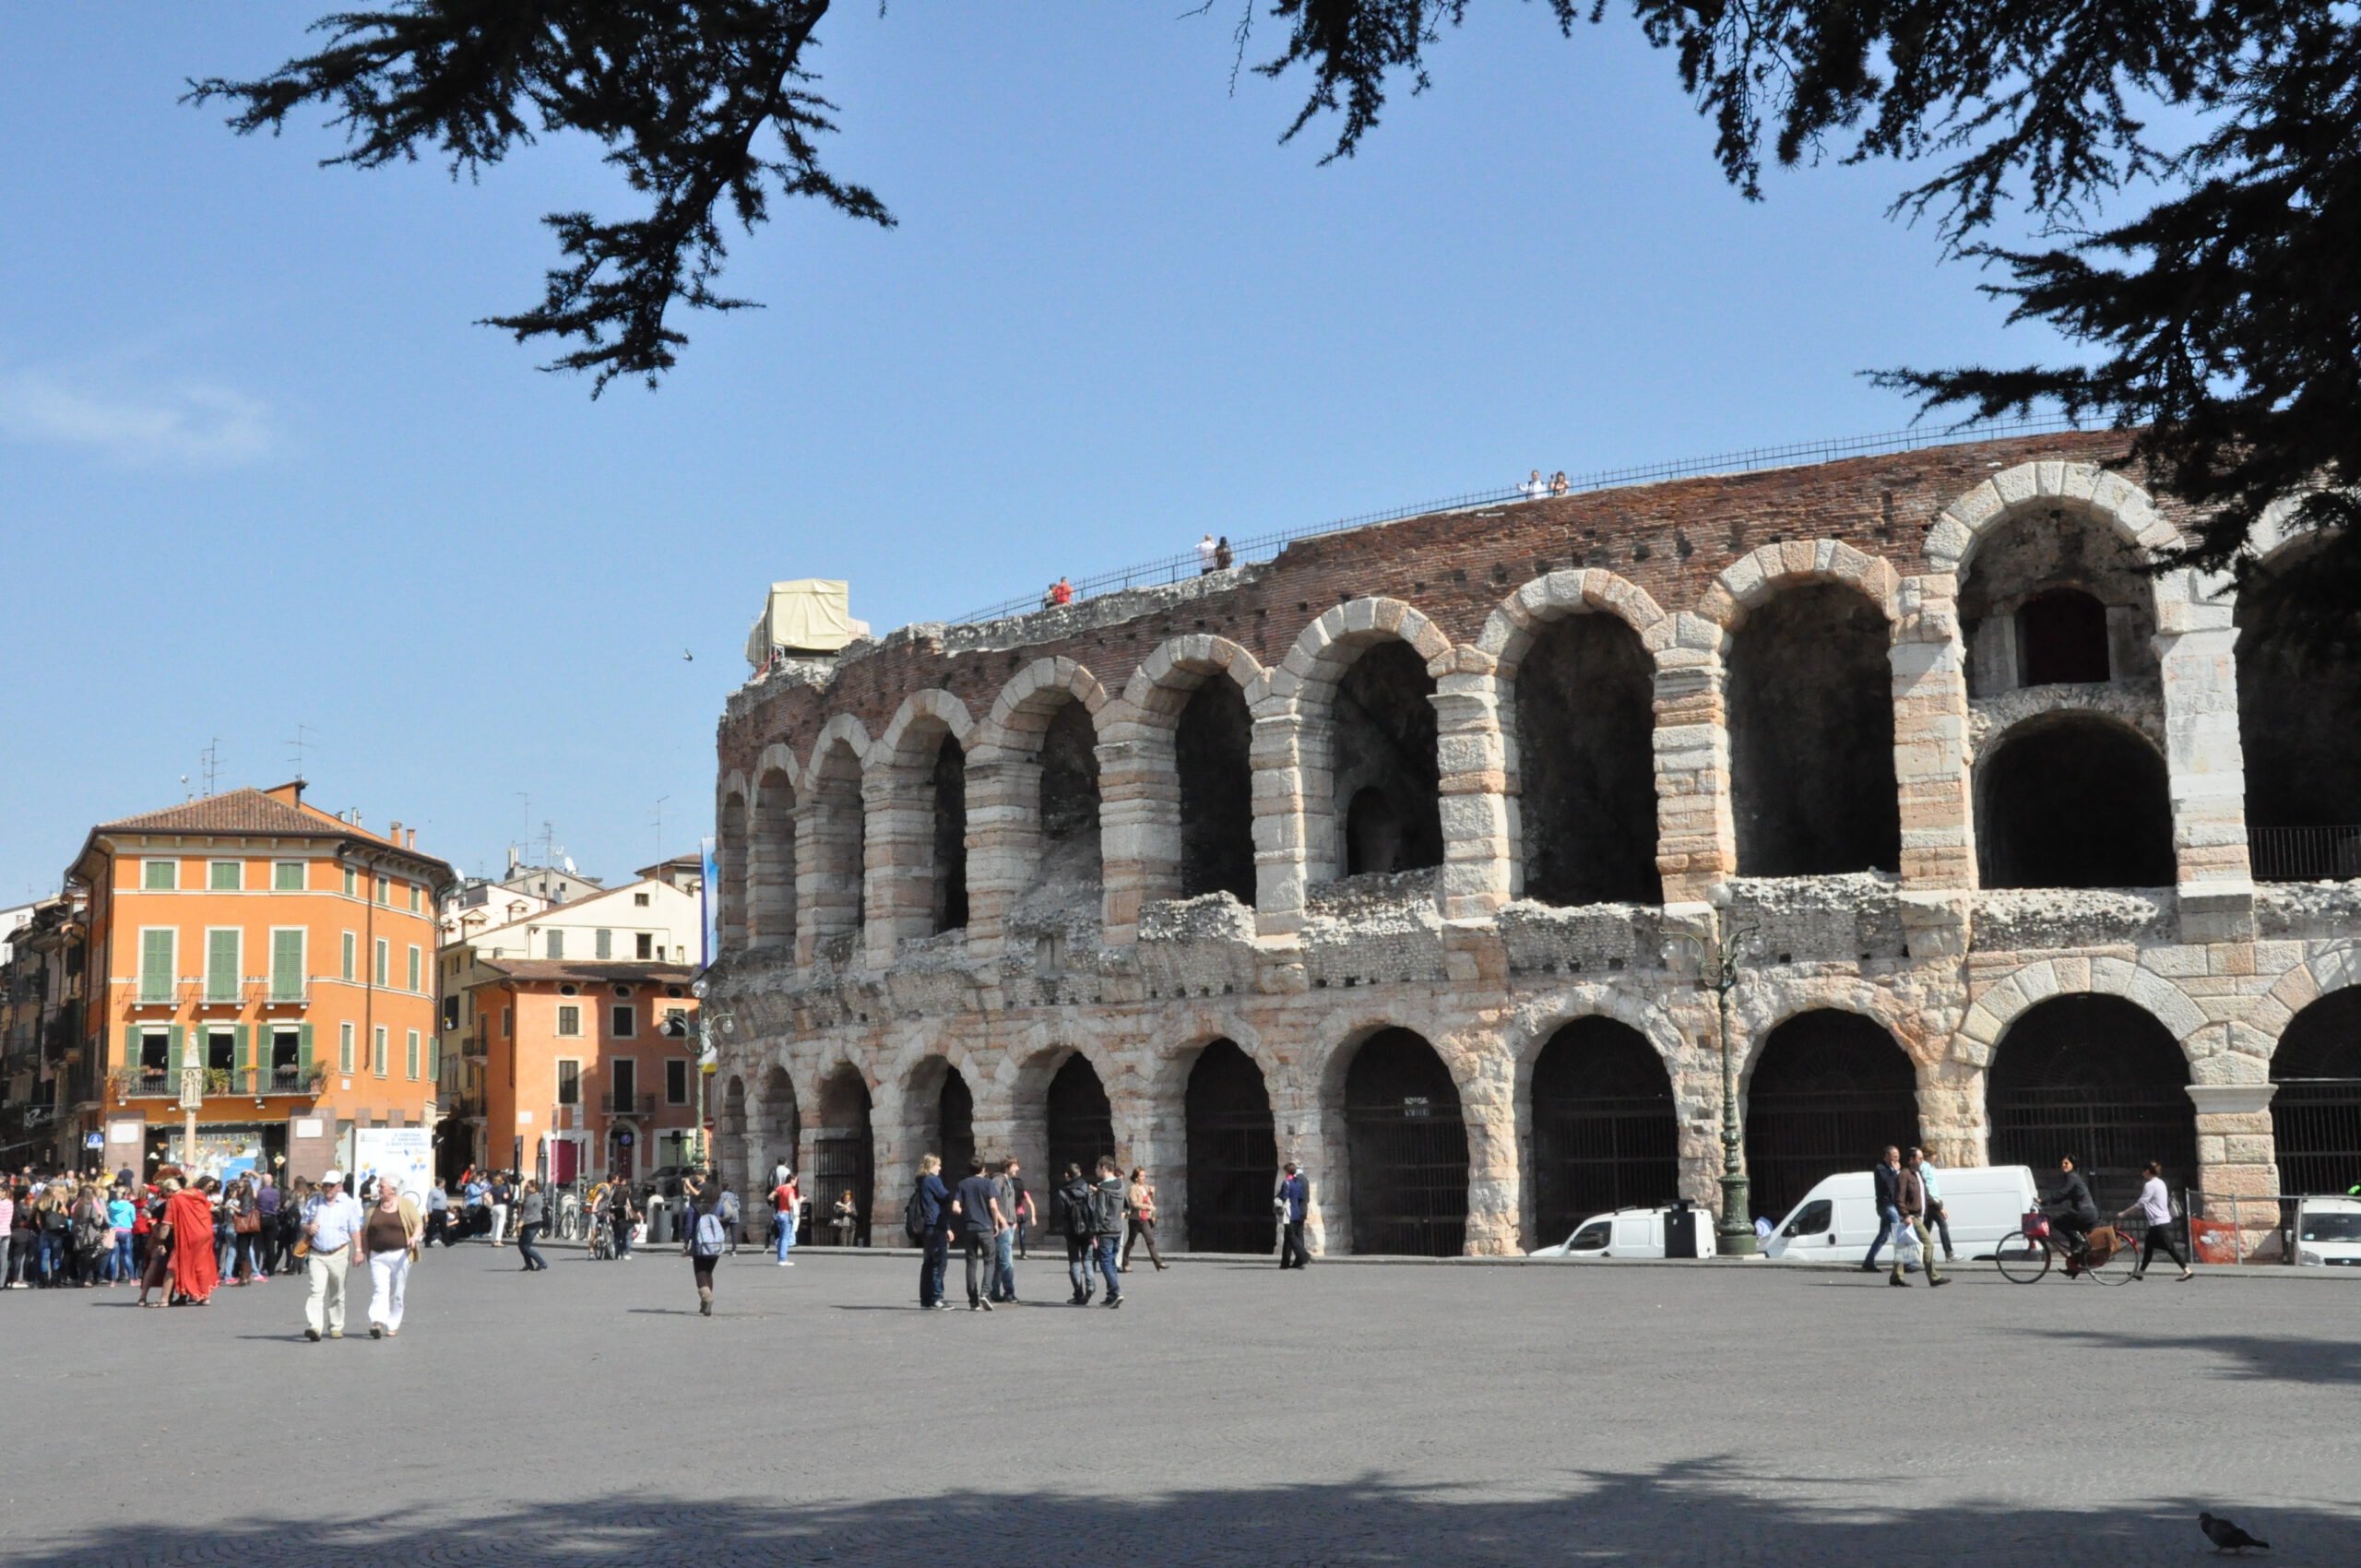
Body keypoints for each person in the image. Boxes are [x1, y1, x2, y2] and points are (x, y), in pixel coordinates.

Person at [300, 1170, 364, 1341]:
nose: (327, 1188)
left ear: (339, 1186)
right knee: (316, 1291)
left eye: (331, 1185)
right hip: (317, 1253)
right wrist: (308, 1228)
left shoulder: (348, 1204)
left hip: (339, 1252)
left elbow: (354, 1229)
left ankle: (336, 1326)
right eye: (325, 1185)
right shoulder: (314, 1202)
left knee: (337, 1292)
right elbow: (303, 1224)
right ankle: (315, 1326)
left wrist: (358, 1251)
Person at [362, 1177, 421, 1337]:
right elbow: (365, 1230)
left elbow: (418, 1223)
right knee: (380, 1289)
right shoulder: (372, 1207)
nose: (379, 1189)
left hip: (400, 1254)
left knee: (397, 1292)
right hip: (377, 1255)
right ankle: (377, 1321)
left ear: (393, 1189)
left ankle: (393, 1324)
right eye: (379, 1186)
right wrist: (362, 1251)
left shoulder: (405, 1204)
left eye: (382, 1186)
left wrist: (414, 1237)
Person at [948, 1157, 1005, 1312]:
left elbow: (955, 1208)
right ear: (983, 1169)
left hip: (969, 1228)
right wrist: (995, 1223)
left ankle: (973, 1301)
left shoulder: (962, 1184)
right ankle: (985, 1293)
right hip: (985, 1227)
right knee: (989, 1261)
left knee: (971, 1264)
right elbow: (993, 1207)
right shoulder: (988, 1183)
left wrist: (966, 1211)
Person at [2122, 1159, 2194, 1281]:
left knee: (2170, 1247)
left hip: (2158, 1222)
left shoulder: (2150, 1185)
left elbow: (2141, 1203)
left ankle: (2187, 1270)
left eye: (2143, 1171)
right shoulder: (2161, 1183)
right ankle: (2140, 1273)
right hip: (2160, 1221)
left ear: (2148, 1171)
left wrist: (2125, 1213)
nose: (2142, 1174)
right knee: (2149, 1247)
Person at [1891, 1150, 1949, 1288]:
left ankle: (1895, 1277)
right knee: (1928, 1244)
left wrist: (1938, 1207)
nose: (1922, 1161)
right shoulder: (1904, 1175)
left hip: (1918, 1216)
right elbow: (1899, 1198)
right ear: (1911, 1160)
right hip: (1911, 1217)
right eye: (1920, 1158)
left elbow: (1926, 1196)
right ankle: (1933, 1277)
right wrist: (1905, 1215)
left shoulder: (1918, 1174)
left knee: (1904, 1246)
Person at [165, 1178, 219, 1306]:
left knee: (186, 1265)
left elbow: (166, 1224)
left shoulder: (176, 1199)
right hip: (205, 1231)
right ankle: (204, 1296)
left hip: (189, 1233)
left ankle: (188, 1294)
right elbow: (211, 1208)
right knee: (202, 1264)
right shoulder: (198, 1195)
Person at [910, 1155, 951, 1308]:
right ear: (931, 1165)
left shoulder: (921, 1180)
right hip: (935, 1224)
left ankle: (925, 1299)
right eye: (938, 1165)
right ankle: (937, 1297)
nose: (940, 1168)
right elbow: (945, 1196)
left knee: (928, 1263)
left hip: (928, 1225)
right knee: (939, 1262)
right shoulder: (932, 1180)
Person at [2045, 1154, 2100, 1265]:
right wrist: (2048, 1202)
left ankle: (2078, 1241)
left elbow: (2062, 1193)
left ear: (2072, 1165)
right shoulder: (2074, 1177)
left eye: (2066, 1163)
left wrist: (2043, 1201)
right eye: (2062, 1164)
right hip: (2088, 1212)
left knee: (2057, 1222)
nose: (2063, 1165)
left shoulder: (2072, 1177)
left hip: (2083, 1212)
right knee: (2073, 1238)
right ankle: (2074, 1266)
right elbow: (2063, 1197)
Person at [1087, 1158, 1126, 1308]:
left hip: (1106, 1229)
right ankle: (1111, 1295)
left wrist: (1094, 1231)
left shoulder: (1103, 1188)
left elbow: (1100, 1211)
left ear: (1104, 1167)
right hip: (1118, 1227)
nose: (1096, 1170)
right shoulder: (1121, 1184)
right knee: (1111, 1261)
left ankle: (1116, 1291)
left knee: (1105, 1261)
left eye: (1097, 1167)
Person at [1055, 1163, 1097, 1303]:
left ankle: (1078, 1292)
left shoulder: (1063, 1191)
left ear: (1067, 1175)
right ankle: (1090, 1286)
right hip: (1087, 1229)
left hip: (1071, 1230)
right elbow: (1093, 1209)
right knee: (1088, 1260)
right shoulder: (1087, 1188)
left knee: (1074, 1261)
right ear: (1080, 1173)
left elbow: (1061, 1213)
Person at [1860, 1146, 1904, 1274]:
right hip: (1886, 1205)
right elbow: (1887, 1184)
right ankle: (1904, 1262)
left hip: (1894, 1204)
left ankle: (1869, 1261)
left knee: (1883, 1236)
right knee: (1898, 1231)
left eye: (1898, 1155)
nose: (1897, 1158)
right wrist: (1895, 1172)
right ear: (1886, 1155)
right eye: (1894, 1155)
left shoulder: (1894, 1170)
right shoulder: (1881, 1168)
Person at [687, 1188, 729, 1315]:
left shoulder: (693, 1207)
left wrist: (685, 1244)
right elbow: (724, 1216)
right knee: (709, 1273)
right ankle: (704, 1303)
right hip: (714, 1244)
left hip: (699, 1244)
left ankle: (707, 1298)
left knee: (700, 1273)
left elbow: (689, 1227)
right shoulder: (719, 1205)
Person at [1121, 1167, 1168, 1272]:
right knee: (1131, 1241)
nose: (1143, 1178)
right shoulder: (1133, 1189)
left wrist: (1151, 1194)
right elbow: (1134, 1203)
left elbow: (1150, 1202)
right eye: (1141, 1176)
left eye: (1144, 1175)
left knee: (1150, 1240)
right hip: (1135, 1220)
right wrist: (1147, 1207)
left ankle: (1158, 1262)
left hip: (1145, 1218)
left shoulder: (1146, 1187)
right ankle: (1125, 1263)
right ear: (1136, 1178)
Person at [989, 1158, 1021, 1302]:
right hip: (1003, 1226)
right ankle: (1009, 1292)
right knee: (1006, 1261)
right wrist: (1002, 1220)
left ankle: (994, 1291)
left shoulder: (1009, 1181)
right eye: (1015, 1165)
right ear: (1007, 1167)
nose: (1018, 1168)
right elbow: (993, 1201)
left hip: (1009, 1224)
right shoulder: (998, 1180)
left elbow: (1009, 1203)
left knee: (1000, 1260)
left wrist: (1013, 1220)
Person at [1916, 1150, 1956, 1264]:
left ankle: (1920, 1253)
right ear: (1928, 1156)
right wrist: (1939, 1206)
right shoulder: (1925, 1167)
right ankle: (1949, 1253)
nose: (1935, 1159)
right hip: (1931, 1202)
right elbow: (1926, 1187)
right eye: (1934, 1157)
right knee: (1942, 1224)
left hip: (1931, 1201)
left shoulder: (1929, 1167)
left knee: (1926, 1229)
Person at [1275, 1162, 1311, 1269]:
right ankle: (1285, 1263)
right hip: (1296, 1210)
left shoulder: (1287, 1182)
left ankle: (1304, 1256)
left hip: (1288, 1212)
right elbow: (1301, 1197)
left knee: (1291, 1236)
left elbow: (1284, 1196)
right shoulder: (1298, 1183)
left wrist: (1277, 1199)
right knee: (1288, 1236)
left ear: (1286, 1171)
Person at [515, 1181, 550, 1271]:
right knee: (521, 1244)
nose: (526, 1188)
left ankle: (541, 1262)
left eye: (528, 1186)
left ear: (534, 1187)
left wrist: (520, 1222)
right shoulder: (538, 1196)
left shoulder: (532, 1198)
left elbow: (527, 1212)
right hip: (535, 1222)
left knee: (525, 1246)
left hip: (531, 1223)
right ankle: (529, 1264)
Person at [771, 1167, 801, 1265]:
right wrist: (798, 1201)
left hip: (779, 1213)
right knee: (785, 1237)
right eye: (796, 1180)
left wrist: (776, 1203)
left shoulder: (781, 1187)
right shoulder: (790, 1190)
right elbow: (790, 1204)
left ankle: (780, 1258)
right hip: (787, 1214)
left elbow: (771, 1196)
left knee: (781, 1237)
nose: (796, 1183)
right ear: (792, 1180)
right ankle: (783, 1259)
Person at [106, 1186, 136, 1286]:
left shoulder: (111, 1204)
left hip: (114, 1230)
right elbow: (133, 1218)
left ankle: (113, 1280)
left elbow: (110, 1216)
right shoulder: (130, 1206)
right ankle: (132, 1279)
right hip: (126, 1231)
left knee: (114, 1255)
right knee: (127, 1255)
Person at [610, 1179, 639, 1261]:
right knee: (628, 1238)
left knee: (619, 1237)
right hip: (629, 1220)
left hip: (619, 1221)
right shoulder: (628, 1199)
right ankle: (626, 1253)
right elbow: (635, 1209)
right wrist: (641, 1217)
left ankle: (618, 1254)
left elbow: (611, 1209)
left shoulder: (615, 1199)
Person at [488, 1172, 512, 1248]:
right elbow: (505, 1197)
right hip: (501, 1206)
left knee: (494, 1223)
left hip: (494, 1206)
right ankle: (498, 1241)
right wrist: (508, 1196)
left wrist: (491, 1203)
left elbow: (485, 1195)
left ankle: (493, 1240)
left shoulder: (492, 1188)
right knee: (501, 1224)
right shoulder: (503, 1187)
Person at [717, 1182, 741, 1255]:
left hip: (725, 1215)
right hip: (734, 1215)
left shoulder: (722, 1195)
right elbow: (738, 1206)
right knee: (734, 1233)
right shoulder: (734, 1195)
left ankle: (720, 1248)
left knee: (722, 1231)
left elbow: (720, 1205)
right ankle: (734, 1250)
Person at [424, 1181, 450, 1249]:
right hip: (435, 1211)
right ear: (440, 1183)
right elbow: (429, 1201)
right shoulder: (433, 1191)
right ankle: (427, 1242)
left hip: (443, 1211)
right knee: (431, 1227)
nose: (445, 1183)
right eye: (443, 1182)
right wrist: (429, 1210)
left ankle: (447, 1242)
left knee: (444, 1227)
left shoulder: (443, 1190)